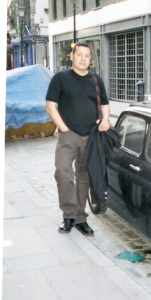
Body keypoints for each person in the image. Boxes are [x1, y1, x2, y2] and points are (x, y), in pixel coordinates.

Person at [45, 42, 110, 235]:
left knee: (84, 178)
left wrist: (106, 119)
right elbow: (50, 106)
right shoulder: (61, 78)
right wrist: (63, 129)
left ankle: (80, 218)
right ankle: (68, 215)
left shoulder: (96, 80)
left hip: (91, 137)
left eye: (86, 56)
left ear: (91, 59)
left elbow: (105, 104)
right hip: (68, 136)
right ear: (71, 56)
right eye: (79, 55)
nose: (83, 59)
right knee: (63, 172)